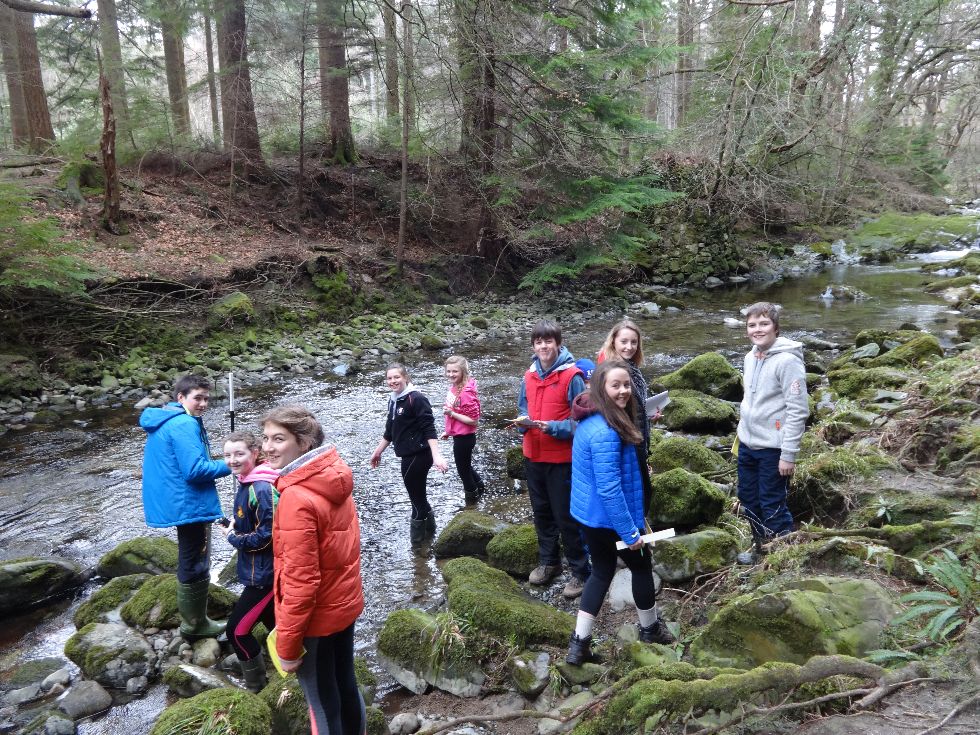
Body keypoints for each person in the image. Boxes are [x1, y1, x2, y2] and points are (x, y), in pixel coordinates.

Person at [263, 405, 365, 735]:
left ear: (303, 443)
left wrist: (288, 648)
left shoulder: (295, 496)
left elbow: (299, 582)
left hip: (316, 621)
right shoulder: (333, 474)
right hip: (343, 605)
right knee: (345, 684)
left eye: (279, 439)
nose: (267, 447)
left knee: (320, 701)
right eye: (265, 438)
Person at [566, 360, 675, 664]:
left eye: (627, 384)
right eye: (616, 385)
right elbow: (610, 489)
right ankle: (650, 629)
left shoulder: (592, 418)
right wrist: (630, 532)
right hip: (611, 517)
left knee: (600, 571)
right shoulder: (606, 431)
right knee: (641, 567)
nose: (624, 390)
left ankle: (579, 645)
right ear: (601, 388)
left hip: (589, 516)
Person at [140, 374, 231, 640]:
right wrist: (235, 464)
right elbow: (195, 470)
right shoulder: (183, 425)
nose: (203, 403)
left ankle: (195, 620)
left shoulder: (169, 419)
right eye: (198, 398)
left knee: (193, 557)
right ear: (181, 398)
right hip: (188, 503)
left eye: (206, 398)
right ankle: (194, 625)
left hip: (178, 500)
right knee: (195, 560)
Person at [517, 320, 590, 599]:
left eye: (548, 341)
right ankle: (549, 563)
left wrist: (553, 427)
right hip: (532, 455)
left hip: (562, 458)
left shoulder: (572, 376)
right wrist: (523, 423)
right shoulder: (528, 375)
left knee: (566, 517)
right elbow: (523, 408)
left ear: (558, 343)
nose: (543, 347)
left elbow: (581, 421)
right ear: (533, 346)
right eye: (539, 342)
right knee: (542, 513)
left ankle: (581, 571)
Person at [735, 302, 809, 564]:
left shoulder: (788, 361)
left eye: (764, 324)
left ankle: (783, 558)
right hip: (747, 445)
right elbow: (750, 402)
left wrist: (788, 454)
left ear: (775, 328)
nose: (758, 329)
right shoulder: (749, 357)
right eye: (752, 325)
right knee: (748, 500)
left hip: (774, 449)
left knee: (772, 503)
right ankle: (760, 548)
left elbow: (798, 410)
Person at [221, 431, 278, 692]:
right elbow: (253, 522)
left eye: (239, 454)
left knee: (237, 632)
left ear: (255, 453)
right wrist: (235, 525)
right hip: (257, 571)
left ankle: (257, 687)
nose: (232, 460)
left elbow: (269, 536)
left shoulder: (261, 487)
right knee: (276, 626)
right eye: (228, 455)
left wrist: (234, 538)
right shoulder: (247, 481)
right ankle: (300, 668)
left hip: (265, 576)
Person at [370, 363, 448, 544]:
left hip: (419, 455)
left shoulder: (416, 398)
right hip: (407, 455)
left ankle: (417, 547)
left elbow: (429, 428)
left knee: (416, 501)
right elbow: (390, 431)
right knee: (419, 497)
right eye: (389, 378)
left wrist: (437, 456)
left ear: (406, 378)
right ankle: (431, 535)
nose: (393, 381)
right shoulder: (393, 399)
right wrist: (378, 452)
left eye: (396, 377)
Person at [598, 319, 655, 510]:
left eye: (634, 342)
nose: (629, 347)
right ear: (613, 341)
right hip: (626, 442)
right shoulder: (612, 370)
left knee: (641, 494)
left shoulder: (632, 367)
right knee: (638, 496)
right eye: (624, 341)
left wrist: (649, 414)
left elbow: (634, 406)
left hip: (638, 436)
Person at [440, 355, 485, 504]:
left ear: (463, 372)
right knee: (466, 466)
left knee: (463, 470)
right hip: (459, 435)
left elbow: (474, 421)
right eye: (449, 371)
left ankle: (472, 500)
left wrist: (452, 414)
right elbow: (456, 411)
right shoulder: (455, 387)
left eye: (455, 372)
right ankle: (480, 488)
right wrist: (449, 431)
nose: (451, 375)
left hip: (465, 438)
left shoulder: (465, 393)